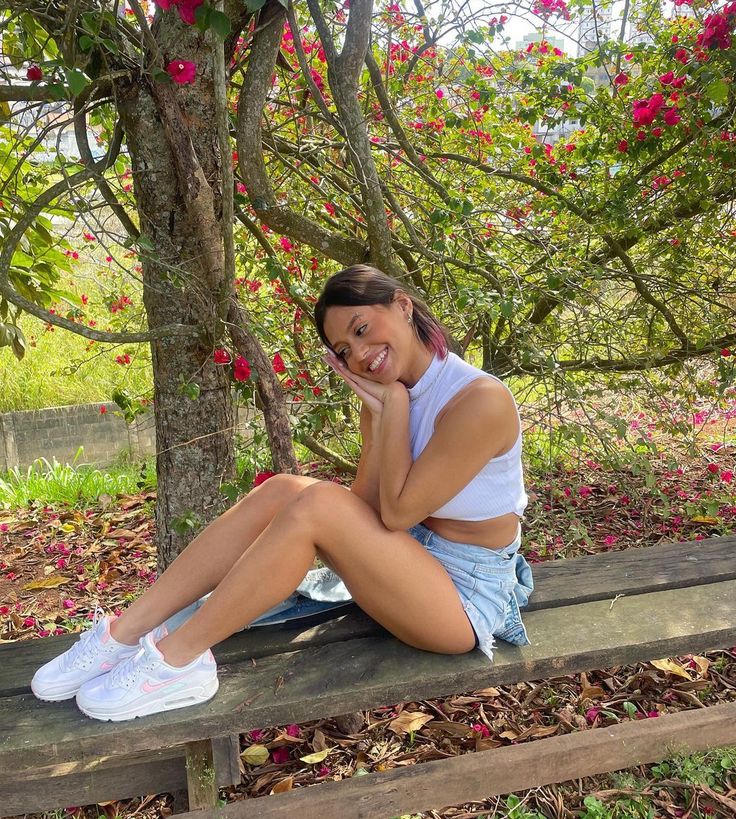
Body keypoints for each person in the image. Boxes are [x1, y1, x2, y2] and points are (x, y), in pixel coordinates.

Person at [31, 264, 533, 722]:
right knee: (284, 490)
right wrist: (383, 417)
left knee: (314, 502)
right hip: (411, 564)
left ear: (402, 304)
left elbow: (398, 512)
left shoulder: (478, 400)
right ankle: (124, 634)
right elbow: (363, 508)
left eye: (361, 330)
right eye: (343, 351)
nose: (358, 355)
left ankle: (179, 660)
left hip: (465, 599)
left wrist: (393, 412)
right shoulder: (385, 397)